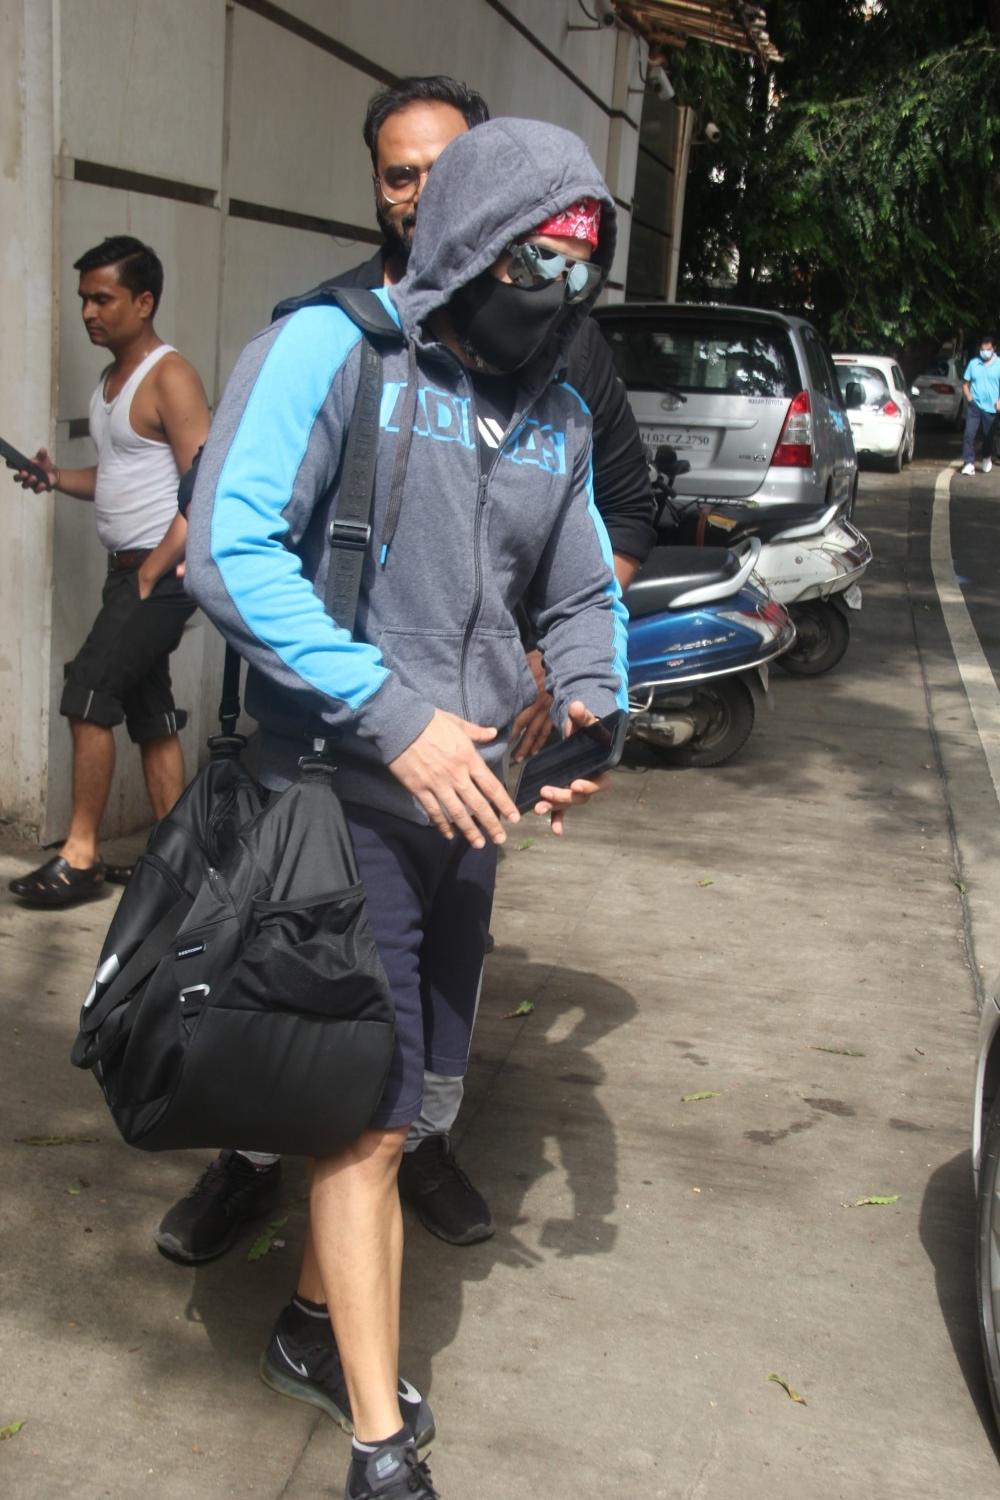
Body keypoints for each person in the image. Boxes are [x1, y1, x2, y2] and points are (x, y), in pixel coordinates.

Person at [184, 115, 628, 1500]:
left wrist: (598, 703)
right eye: (533, 260)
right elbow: (227, 545)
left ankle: (316, 1327)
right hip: (338, 798)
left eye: (578, 267)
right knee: (365, 1119)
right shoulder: (334, 350)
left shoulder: (553, 413)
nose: (554, 292)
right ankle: (382, 1449)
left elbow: (584, 589)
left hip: (468, 812)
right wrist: (393, 710)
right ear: (471, 238)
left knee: (407, 1102)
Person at [7, 236, 210, 906]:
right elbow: (122, 476)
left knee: (88, 692)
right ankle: (178, 858)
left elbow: (204, 483)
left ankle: (81, 856)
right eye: (84, 299)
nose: (90, 311)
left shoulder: (168, 375)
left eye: (104, 298)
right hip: (127, 572)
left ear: (143, 301)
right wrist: (55, 476)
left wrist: (154, 569)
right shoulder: (111, 383)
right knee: (150, 711)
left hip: (162, 573)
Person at [960, 334, 1000, 475]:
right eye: (983, 349)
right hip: (975, 405)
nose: (985, 352)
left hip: (992, 408)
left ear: (994, 349)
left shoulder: (999, 364)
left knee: (988, 436)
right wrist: (970, 399)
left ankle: (986, 456)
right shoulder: (974, 363)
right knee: (969, 434)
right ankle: (968, 463)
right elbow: (965, 383)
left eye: (988, 349)